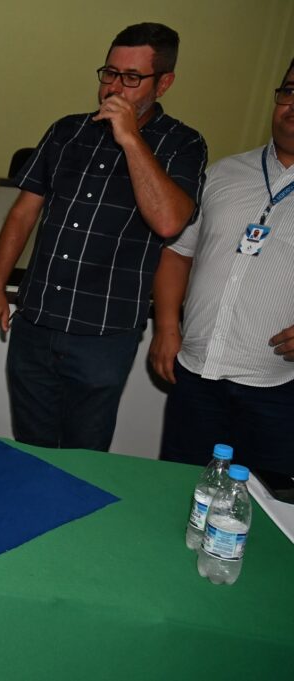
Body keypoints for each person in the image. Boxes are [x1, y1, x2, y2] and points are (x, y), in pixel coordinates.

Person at [0, 22, 207, 451]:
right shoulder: (66, 131)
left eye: (132, 78)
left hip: (104, 335)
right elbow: (23, 213)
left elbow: (169, 222)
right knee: (32, 449)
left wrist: (131, 139)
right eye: (109, 73)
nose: (114, 88)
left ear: (165, 83)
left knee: (86, 457)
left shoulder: (183, 144)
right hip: (36, 321)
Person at [150, 59, 294, 476]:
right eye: (289, 90)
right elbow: (177, 252)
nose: (292, 105)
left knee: (262, 515)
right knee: (176, 493)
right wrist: (166, 327)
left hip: (276, 389)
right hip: (194, 378)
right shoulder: (222, 174)